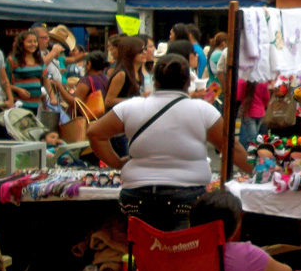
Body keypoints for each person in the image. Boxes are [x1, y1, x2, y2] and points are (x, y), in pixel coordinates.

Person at [87, 53, 251, 232]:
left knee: (144, 248)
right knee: (181, 250)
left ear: (155, 81)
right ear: (188, 82)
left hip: (136, 197)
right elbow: (233, 150)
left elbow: (95, 133)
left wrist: (116, 163)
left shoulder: (131, 107)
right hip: (186, 198)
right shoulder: (202, 110)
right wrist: (258, 173)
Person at [6, 30, 47, 113]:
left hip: (35, 104)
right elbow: (4, 82)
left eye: (35, 41)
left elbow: (45, 79)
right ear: (22, 43)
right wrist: (18, 89)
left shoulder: (39, 60)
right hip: (19, 103)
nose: (33, 44)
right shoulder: (12, 60)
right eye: (29, 42)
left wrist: (52, 98)